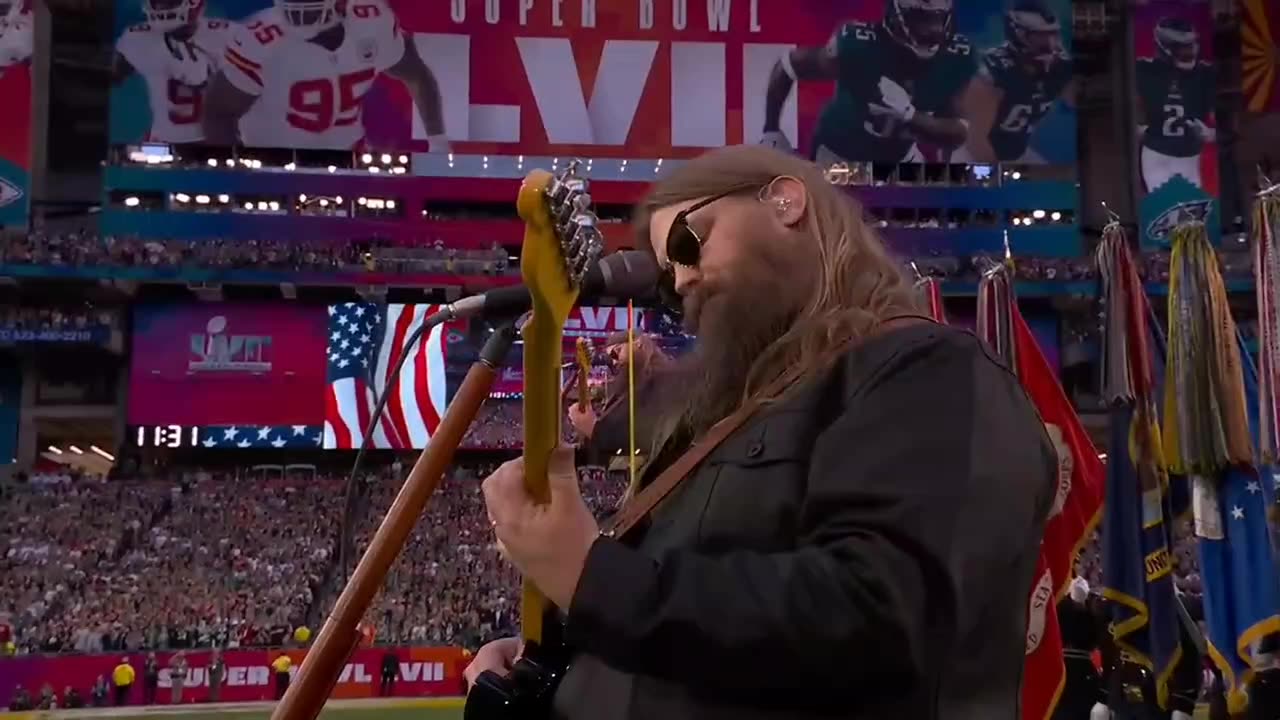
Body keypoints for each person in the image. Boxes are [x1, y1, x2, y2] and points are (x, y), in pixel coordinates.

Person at [467, 145, 1058, 718]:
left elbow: (879, 621)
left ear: (785, 203)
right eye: (670, 272)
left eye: (687, 242)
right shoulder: (727, 410)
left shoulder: (928, 371)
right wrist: (558, 662)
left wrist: (590, 576)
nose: (684, 278)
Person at [202, 0, 448, 150]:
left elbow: (417, 75)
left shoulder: (372, 22)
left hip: (350, 161)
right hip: (275, 167)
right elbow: (218, 113)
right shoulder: (261, 40)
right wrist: (238, 173)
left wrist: (438, 143)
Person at [760, 0, 978, 164]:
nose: (931, 31)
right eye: (921, 19)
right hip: (840, 156)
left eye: (937, 19)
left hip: (901, 159)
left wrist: (910, 115)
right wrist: (772, 130)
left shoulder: (956, 56)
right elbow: (789, 64)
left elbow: (957, 132)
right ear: (897, 17)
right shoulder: (859, 46)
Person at [954, 1, 1074, 164]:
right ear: (1018, 35)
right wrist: (1002, 181)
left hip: (1016, 154)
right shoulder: (993, 77)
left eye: (1053, 35)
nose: (1050, 44)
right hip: (975, 156)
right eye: (1041, 37)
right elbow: (977, 142)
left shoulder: (1059, 67)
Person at [111, 0, 232, 144]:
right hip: (211, 141)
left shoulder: (137, 38)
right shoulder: (227, 34)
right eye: (159, 2)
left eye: (170, 2)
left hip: (200, 140)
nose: (162, 7)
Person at [1135, 17, 1215, 191]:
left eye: (1191, 44)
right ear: (1164, 48)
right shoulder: (1144, 71)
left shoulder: (1207, 74)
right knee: (1166, 209)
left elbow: (1230, 128)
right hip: (1157, 155)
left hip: (1192, 157)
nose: (1190, 50)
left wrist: (1210, 134)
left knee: (1193, 212)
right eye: (1183, 46)